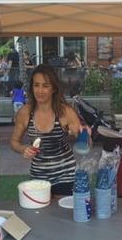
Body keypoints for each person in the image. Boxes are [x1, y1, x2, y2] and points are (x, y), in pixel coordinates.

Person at [10, 64, 83, 195]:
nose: (40, 90)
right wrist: (24, 149)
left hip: (66, 176)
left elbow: (84, 142)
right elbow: (14, 142)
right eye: (36, 85)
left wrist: (83, 134)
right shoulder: (25, 112)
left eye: (45, 86)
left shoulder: (65, 111)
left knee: (64, 214)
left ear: (53, 88)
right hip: (38, 177)